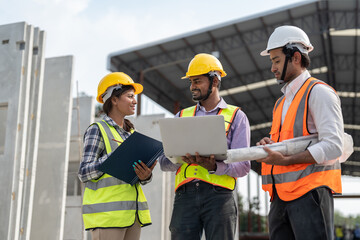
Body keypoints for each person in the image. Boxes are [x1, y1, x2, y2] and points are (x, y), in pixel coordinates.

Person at [256, 25, 344, 240]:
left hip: (310, 194)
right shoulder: (281, 103)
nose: (272, 68)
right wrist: (270, 144)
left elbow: (334, 146)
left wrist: (287, 160)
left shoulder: (319, 92)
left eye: (276, 60)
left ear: (295, 57)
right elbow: (287, 141)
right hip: (279, 198)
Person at [159, 53, 251, 240]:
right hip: (185, 196)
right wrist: (178, 158)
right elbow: (163, 162)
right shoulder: (181, 116)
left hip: (220, 196)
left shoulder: (236, 117)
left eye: (198, 81)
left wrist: (215, 167)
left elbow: (243, 165)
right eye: (191, 82)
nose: (192, 87)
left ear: (215, 81)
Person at [78, 72, 157, 240]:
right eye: (130, 96)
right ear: (114, 99)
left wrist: (145, 175)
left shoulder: (130, 134)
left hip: (132, 216)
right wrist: (113, 158)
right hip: (107, 217)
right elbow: (84, 172)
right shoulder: (97, 129)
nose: (135, 101)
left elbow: (132, 177)